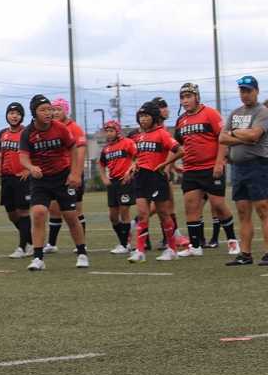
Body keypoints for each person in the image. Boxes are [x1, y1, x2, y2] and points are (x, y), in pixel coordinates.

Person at [167, 83, 239, 257]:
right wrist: (170, 165)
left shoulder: (211, 114)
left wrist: (219, 162)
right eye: (182, 98)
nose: (185, 101)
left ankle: (232, 241)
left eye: (188, 97)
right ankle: (195, 246)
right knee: (190, 207)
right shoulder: (181, 120)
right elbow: (176, 146)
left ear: (197, 97)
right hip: (191, 170)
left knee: (218, 205)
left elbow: (223, 139)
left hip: (210, 168)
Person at [19, 95, 89, 270]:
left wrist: (74, 173)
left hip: (62, 177)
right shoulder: (27, 133)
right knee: (38, 213)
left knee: (71, 215)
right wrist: (31, 167)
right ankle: (38, 258)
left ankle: (82, 253)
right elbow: (23, 157)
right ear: (34, 113)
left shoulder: (60, 128)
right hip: (40, 180)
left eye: (49, 109)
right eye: (43, 110)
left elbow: (73, 149)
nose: (48, 113)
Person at [218, 76, 268, 266]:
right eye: (242, 91)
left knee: (263, 209)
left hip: (258, 166)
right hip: (238, 168)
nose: (245, 94)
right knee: (242, 212)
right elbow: (222, 138)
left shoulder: (263, 112)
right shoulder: (235, 113)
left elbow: (255, 135)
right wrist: (241, 136)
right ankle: (245, 255)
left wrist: (233, 133)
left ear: (257, 91)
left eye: (248, 90)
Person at [128, 102, 182, 263]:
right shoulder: (139, 136)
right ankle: (140, 251)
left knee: (163, 214)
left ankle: (172, 249)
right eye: (141, 116)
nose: (143, 119)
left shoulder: (162, 134)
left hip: (156, 177)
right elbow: (137, 157)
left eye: (146, 116)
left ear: (154, 117)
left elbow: (180, 151)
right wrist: (133, 165)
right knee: (142, 214)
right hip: (141, 178)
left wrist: (165, 164)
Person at [44, 98, 87, 253]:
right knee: (54, 209)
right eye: (53, 109)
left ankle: (82, 244)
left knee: (75, 210)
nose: (55, 112)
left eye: (58, 109)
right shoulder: (50, 128)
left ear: (66, 111)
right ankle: (52, 244)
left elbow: (80, 152)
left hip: (72, 173)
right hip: (56, 175)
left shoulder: (74, 128)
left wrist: (77, 173)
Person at [0, 102, 33, 259]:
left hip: (22, 178)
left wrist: (28, 169)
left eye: (17, 113)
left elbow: (35, 153)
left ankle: (22, 247)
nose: (14, 116)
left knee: (23, 211)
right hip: (7, 178)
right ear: (7, 115)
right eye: (11, 113)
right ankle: (31, 241)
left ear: (22, 116)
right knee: (11, 213)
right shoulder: (2, 134)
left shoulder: (27, 132)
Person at [152, 96, 190, 249]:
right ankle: (134, 226)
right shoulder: (156, 129)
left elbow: (167, 150)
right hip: (156, 172)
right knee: (160, 206)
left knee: (168, 205)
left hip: (163, 170)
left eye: (165, 106)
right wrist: (167, 167)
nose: (166, 109)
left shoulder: (163, 128)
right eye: (161, 106)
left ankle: (172, 236)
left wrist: (172, 167)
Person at [97, 120, 137, 254]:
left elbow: (137, 157)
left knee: (124, 211)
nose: (109, 133)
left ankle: (124, 244)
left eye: (111, 131)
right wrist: (104, 178)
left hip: (125, 181)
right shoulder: (106, 149)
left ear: (117, 131)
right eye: (107, 131)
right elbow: (101, 164)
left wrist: (131, 171)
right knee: (113, 217)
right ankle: (124, 242)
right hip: (113, 183)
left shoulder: (128, 143)